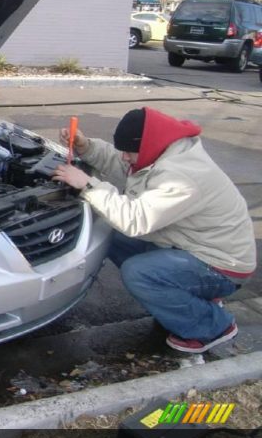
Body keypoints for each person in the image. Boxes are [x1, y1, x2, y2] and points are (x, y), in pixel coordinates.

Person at [52, 107, 256, 353]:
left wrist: (87, 185)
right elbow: (122, 163)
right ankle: (190, 299)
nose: (125, 156)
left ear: (147, 145)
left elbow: (135, 220)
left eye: (129, 151)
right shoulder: (162, 152)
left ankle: (212, 327)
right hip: (194, 247)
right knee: (108, 230)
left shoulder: (181, 177)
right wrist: (86, 147)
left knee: (139, 273)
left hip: (222, 267)